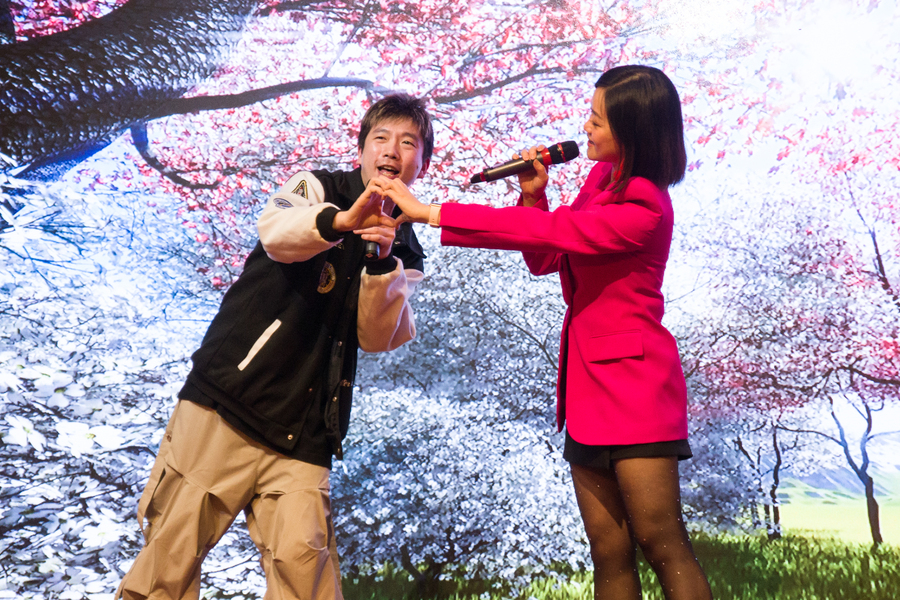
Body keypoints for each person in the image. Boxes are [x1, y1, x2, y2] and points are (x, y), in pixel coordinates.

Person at [382, 66, 713, 599]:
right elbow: (546, 256)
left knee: (662, 544)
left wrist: (433, 213)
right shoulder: (601, 183)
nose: (585, 126)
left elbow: (555, 232)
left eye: (597, 118)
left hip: (636, 390)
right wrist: (534, 194)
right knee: (608, 552)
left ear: (631, 130)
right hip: (586, 390)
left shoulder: (645, 205)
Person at [115, 94, 433, 600]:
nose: (393, 150)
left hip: (305, 435)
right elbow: (277, 234)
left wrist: (380, 260)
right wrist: (341, 223)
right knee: (166, 568)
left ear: (421, 164)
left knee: (307, 581)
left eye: (408, 143)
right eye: (382, 138)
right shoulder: (317, 186)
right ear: (361, 150)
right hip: (227, 402)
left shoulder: (406, 245)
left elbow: (378, 336)